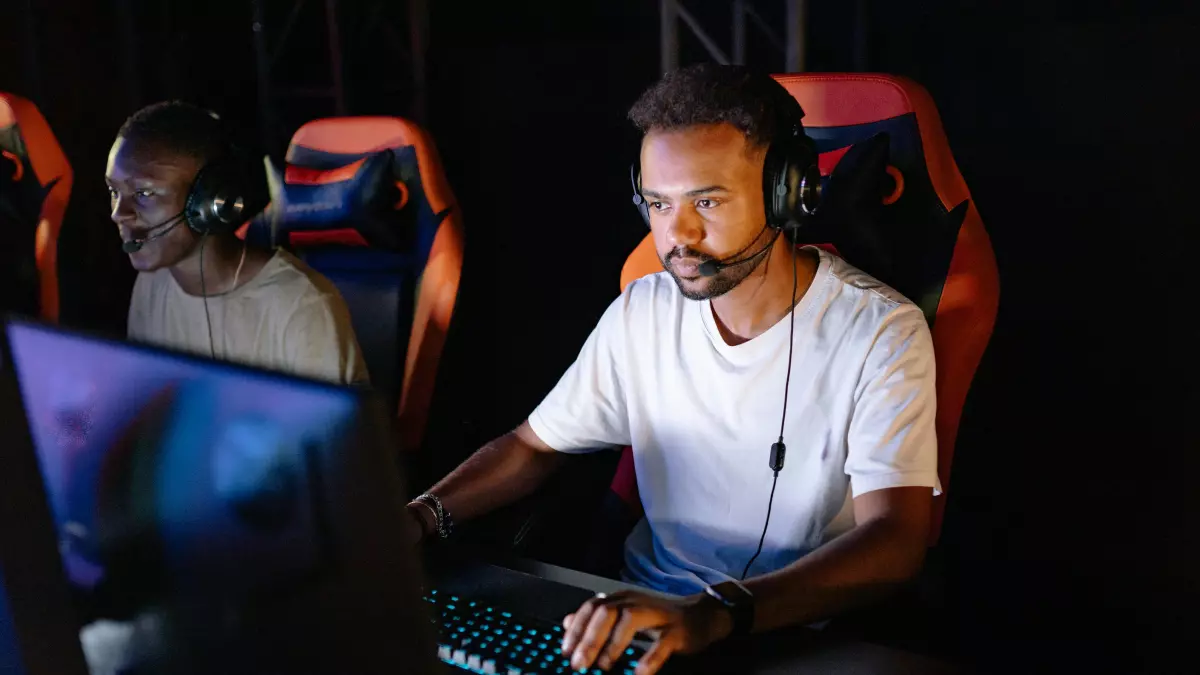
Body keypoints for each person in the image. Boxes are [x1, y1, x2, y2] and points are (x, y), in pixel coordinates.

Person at [404, 64, 939, 674]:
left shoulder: (879, 331)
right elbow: (533, 446)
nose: (676, 234)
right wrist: (418, 519)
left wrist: (714, 613)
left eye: (706, 200)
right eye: (658, 203)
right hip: (640, 619)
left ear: (787, 193)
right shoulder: (644, 310)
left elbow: (895, 542)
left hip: (794, 632)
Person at [106, 101, 367, 385]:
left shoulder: (303, 307)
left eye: (144, 193)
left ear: (211, 202)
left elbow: (327, 430)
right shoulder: (152, 284)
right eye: (113, 191)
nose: (118, 213)